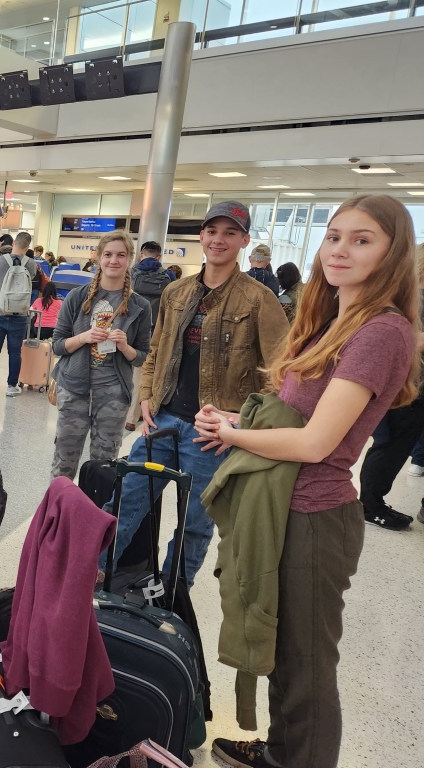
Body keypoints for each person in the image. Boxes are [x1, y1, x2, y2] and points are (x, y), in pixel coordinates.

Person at [201, 195, 419, 768]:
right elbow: (296, 416)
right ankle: (281, 752)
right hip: (286, 507)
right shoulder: (332, 321)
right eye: (334, 236)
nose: (340, 250)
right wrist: (234, 420)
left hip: (314, 516)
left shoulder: (381, 332)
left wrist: (233, 435)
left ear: (393, 253)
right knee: (283, 650)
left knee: (307, 667)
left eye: (362, 239)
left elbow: (315, 444)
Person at [104, 201, 289, 586]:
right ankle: (93, 573)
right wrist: (146, 397)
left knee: (195, 524)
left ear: (244, 240)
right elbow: (156, 350)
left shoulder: (259, 299)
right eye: (212, 231)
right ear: (201, 236)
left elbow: (281, 372)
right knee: (125, 502)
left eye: (230, 233)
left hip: (212, 436)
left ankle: (173, 594)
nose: (219, 240)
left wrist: (241, 422)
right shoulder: (176, 291)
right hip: (162, 420)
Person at [50, 231, 151, 480]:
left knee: (104, 466)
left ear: (130, 259)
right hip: (74, 388)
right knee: (64, 461)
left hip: (113, 394)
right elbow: (58, 345)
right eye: (108, 254)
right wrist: (83, 337)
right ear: (98, 257)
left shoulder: (140, 306)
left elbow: (140, 357)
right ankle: (60, 505)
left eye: (121, 255)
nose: (113, 260)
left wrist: (125, 346)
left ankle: (97, 506)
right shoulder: (77, 297)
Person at [355, 243, 424, 530]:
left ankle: (372, 502)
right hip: (405, 388)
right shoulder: (409, 300)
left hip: (409, 386)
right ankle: (370, 505)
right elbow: (403, 339)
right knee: (390, 445)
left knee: (393, 445)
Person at [126, 240, 175, 430]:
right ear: (159, 256)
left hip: (129, 330)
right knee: (143, 373)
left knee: (123, 371)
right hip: (155, 332)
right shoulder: (169, 276)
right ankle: (133, 417)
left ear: (141, 254)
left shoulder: (131, 273)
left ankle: (121, 412)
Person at [0, 231, 38, 397]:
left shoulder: (0, 261)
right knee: (15, 352)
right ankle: (11, 386)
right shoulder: (31, 264)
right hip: (19, 313)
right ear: (28, 247)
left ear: (14, 242)